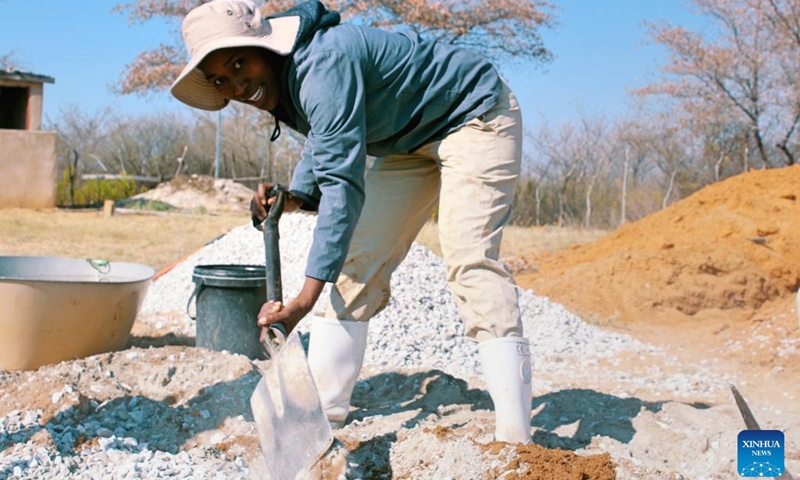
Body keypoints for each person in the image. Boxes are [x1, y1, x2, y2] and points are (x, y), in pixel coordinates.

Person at [171, 0, 532, 443]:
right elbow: (326, 140)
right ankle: (320, 420)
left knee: (469, 260)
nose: (237, 84)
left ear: (264, 47)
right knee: (355, 267)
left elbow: (343, 187)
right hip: (407, 143)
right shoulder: (292, 75)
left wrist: (303, 301)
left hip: (473, 114)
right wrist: (296, 195)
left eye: (240, 62)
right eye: (222, 79)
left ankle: (516, 439)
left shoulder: (323, 62)